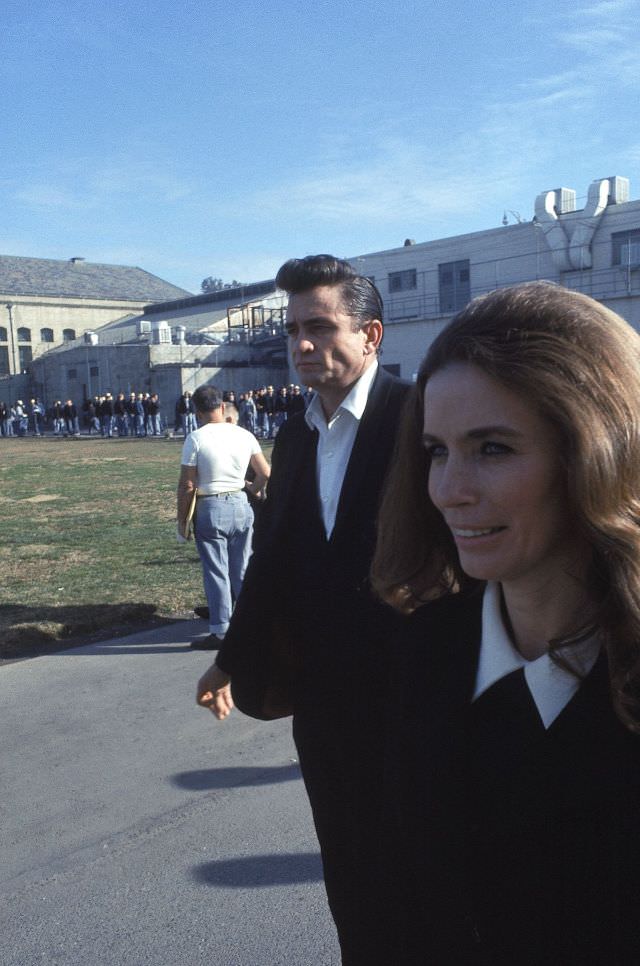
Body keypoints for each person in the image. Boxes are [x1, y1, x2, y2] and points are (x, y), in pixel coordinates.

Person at [370, 281, 640, 966]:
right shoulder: (416, 649)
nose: (448, 490)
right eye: (437, 450)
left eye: (492, 448)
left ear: (596, 454)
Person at [196, 255, 410, 962]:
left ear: (371, 335)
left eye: (320, 326)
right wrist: (229, 659)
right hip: (325, 704)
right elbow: (275, 563)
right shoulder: (294, 436)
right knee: (348, 871)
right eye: (293, 330)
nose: (303, 343)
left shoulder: (418, 421)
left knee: (423, 873)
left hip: (414, 697)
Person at [177, 384, 270, 651]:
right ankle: (253, 624)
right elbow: (265, 472)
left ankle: (220, 630)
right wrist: (250, 488)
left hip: (211, 505)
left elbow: (188, 485)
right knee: (241, 569)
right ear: (221, 406)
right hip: (240, 503)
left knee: (216, 571)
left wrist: (182, 520)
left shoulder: (196, 438)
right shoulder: (243, 434)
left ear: (197, 412)